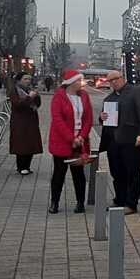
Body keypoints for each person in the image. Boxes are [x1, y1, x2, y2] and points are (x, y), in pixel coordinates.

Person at [100, 70, 140, 214]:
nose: (113, 82)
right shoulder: (109, 99)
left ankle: (131, 204)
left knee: (132, 173)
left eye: (116, 79)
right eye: (110, 81)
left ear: (122, 78)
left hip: (131, 140)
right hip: (113, 142)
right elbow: (103, 120)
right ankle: (120, 200)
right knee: (117, 172)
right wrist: (102, 117)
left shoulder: (135, 92)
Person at [48, 70, 93, 214]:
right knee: (59, 173)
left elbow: (88, 119)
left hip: (80, 142)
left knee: (78, 174)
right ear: (71, 83)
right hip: (62, 141)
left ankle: (80, 203)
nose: (81, 83)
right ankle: (54, 202)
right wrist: (71, 138)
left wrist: (81, 136)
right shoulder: (59, 97)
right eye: (79, 81)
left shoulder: (84, 96)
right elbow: (58, 120)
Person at [9, 71, 43, 175]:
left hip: (31, 120)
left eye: (29, 79)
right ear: (19, 80)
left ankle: (27, 166)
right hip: (20, 121)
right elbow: (17, 104)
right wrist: (29, 97)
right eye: (25, 79)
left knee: (31, 143)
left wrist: (36, 96)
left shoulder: (29, 89)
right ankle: (21, 167)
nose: (28, 81)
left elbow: (37, 104)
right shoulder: (15, 90)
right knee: (21, 143)